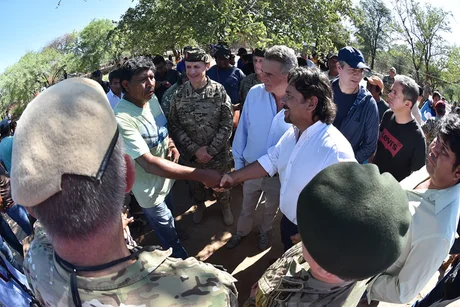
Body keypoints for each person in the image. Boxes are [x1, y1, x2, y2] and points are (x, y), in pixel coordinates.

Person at [12, 78, 238, 306]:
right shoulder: (208, 290)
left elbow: (41, 230)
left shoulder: (35, 262)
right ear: (129, 175)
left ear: (31, 208)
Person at [219, 67, 356, 251]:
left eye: (289, 96)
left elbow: (348, 209)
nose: (283, 101)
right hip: (288, 223)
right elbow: (271, 160)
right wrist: (234, 178)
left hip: (312, 238)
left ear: (311, 103)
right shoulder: (293, 134)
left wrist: (314, 237)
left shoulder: (334, 150)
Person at [244, 162, 411, 307]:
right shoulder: (348, 263)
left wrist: (253, 301)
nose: (304, 237)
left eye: (308, 237)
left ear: (325, 270)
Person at [114, 57, 222, 259]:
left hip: (167, 181)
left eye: (152, 77)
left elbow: (163, 127)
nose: (150, 83)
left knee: (171, 217)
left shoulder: (150, 99)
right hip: (149, 192)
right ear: (126, 85)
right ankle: (182, 262)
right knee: (167, 232)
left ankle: (175, 239)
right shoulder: (122, 118)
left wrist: (171, 144)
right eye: (142, 80)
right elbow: (149, 164)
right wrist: (201, 175)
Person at [366, 113, 460, 304]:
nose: (434, 149)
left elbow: (403, 291)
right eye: (437, 140)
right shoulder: (429, 170)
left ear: (458, 172)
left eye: (445, 151)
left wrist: (362, 282)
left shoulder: (439, 231)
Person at [227, 45, 296, 250]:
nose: (261, 75)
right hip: (251, 167)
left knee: (270, 209)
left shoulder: (300, 103)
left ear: (288, 75)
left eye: (268, 73)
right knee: (246, 206)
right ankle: (241, 232)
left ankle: (265, 231)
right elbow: (243, 131)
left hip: (279, 174)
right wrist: (239, 167)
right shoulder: (254, 94)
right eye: (261, 69)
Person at [168, 48, 234, 225]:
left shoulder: (218, 91)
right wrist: (194, 149)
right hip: (192, 157)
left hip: (218, 154)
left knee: (222, 184)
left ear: (206, 66)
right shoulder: (179, 94)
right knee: (195, 185)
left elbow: (227, 123)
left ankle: (225, 207)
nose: (191, 72)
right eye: (188, 67)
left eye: (196, 67)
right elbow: (174, 124)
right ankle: (200, 205)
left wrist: (211, 150)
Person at [371, 75, 426, 181]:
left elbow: (416, 178)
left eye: (395, 93)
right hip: (373, 178)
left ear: (407, 104)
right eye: (392, 90)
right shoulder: (387, 115)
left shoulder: (418, 139)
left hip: (392, 193)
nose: (390, 94)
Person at [332, 46, 379, 163]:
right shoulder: (324, 91)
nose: (357, 75)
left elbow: (370, 146)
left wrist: (346, 163)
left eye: (361, 71)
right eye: (353, 69)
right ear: (339, 67)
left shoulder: (368, 104)